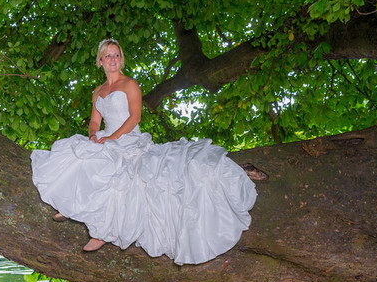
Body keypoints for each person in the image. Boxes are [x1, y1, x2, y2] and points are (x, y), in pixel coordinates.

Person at [30, 39, 258, 265]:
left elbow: (134, 118)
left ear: (121, 60)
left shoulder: (130, 84)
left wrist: (111, 138)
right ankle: (73, 206)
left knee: (121, 175)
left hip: (128, 138)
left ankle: (102, 232)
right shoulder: (97, 91)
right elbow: (94, 120)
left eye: (116, 55)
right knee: (77, 154)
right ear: (100, 61)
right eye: (107, 55)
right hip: (106, 137)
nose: (112, 59)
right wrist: (93, 135)